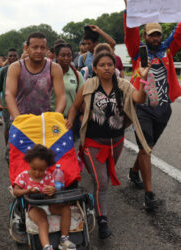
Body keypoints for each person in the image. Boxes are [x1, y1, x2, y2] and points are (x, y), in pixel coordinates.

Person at [66, 51, 151, 239]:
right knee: (102, 182)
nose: (107, 68)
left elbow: (139, 99)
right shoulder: (88, 85)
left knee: (102, 178)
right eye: (102, 65)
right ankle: (102, 220)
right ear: (94, 68)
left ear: (115, 67)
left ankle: (94, 200)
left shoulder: (123, 85)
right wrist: (70, 121)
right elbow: (74, 106)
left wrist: (144, 81)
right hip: (92, 142)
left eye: (110, 65)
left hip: (116, 142)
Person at [123, 2, 181, 209]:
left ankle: (133, 172)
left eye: (158, 34)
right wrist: (129, 9)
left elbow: (179, 31)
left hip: (164, 108)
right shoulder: (138, 52)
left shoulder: (168, 51)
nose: (155, 38)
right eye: (151, 35)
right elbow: (130, 33)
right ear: (145, 35)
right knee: (146, 149)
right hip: (143, 108)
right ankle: (149, 195)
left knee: (149, 147)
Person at [13, 144, 76, 250]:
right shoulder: (23, 176)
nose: (37, 173)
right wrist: (27, 190)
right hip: (33, 207)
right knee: (43, 221)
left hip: (49, 204)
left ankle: (64, 239)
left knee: (66, 209)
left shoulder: (48, 176)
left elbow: (53, 188)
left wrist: (53, 189)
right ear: (29, 163)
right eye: (34, 169)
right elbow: (15, 191)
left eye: (41, 170)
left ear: (46, 167)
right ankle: (47, 246)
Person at [5, 32, 66, 119]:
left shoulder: (54, 68)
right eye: (35, 47)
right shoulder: (16, 67)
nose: (39, 51)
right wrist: (17, 119)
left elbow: (61, 96)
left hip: (44, 120)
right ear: (26, 48)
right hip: (20, 119)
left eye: (42, 48)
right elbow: (9, 94)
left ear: (46, 49)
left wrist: (56, 116)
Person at [50, 43, 84, 139]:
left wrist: (82, 115)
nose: (66, 58)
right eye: (63, 55)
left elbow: (81, 98)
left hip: (71, 120)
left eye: (69, 55)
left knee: (69, 150)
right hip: (52, 119)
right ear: (56, 56)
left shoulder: (77, 75)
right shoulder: (48, 73)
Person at [0, 48, 19, 146]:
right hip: (7, 105)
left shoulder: (23, 68)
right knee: (8, 127)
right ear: (7, 57)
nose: (12, 58)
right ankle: (8, 147)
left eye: (14, 55)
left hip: (20, 103)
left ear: (18, 56)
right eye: (10, 56)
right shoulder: (4, 70)